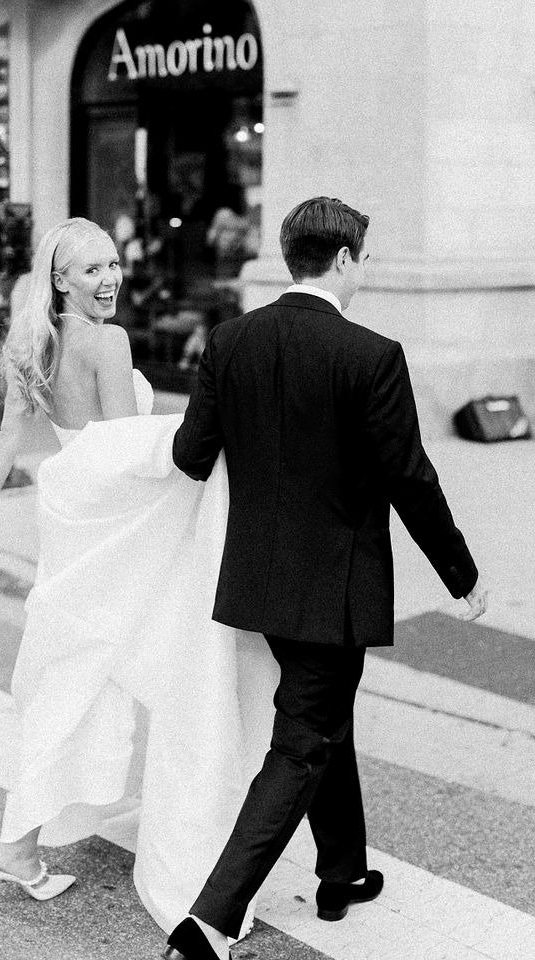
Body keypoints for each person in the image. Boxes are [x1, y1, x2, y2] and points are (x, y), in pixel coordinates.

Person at [0, 217, 277, 934]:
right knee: (153, 669)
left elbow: (5, 443)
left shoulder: (35, 343)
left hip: (70, 516)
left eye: (114, 264)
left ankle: (16, 850)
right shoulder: (108, 342)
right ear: (61, 279)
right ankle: (43, 844)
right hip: (116, 526)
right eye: (92, 270)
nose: (111, 278)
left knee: (75, 678)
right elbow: (131, 454)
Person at [165, 196, 488, 960]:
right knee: (303, 740)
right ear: (343, 259)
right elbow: (410, 476)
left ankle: (342, 871)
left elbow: (189, 453)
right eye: (365, 258)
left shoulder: (230, 340)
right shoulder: (371, 355)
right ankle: (208, 919)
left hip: (258, 584)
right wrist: (461, 573)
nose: (365, 270)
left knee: (319, 710)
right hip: (333, 589)